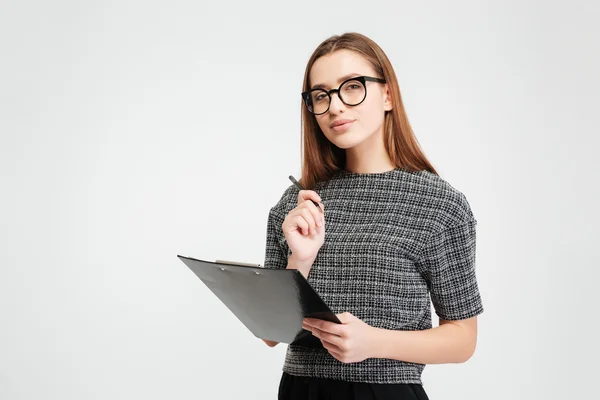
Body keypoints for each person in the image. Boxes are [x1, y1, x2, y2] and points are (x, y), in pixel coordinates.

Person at [261, 32, 484, 400]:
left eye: (352, 87)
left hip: (386, 394)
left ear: (388, 95)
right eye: (321, 95)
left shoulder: (439, 204)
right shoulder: (297, 202)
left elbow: (462, 339)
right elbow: (270, 332)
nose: (335, 106)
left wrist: (373, 342)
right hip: (299, 391)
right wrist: (299, 259)